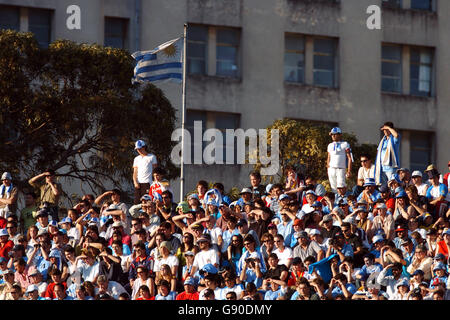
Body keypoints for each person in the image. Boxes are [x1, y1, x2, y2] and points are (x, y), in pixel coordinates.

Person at [327, 127, 353, 193]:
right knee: (333, 188)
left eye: (335, 134)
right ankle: (335, 202)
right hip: (331, 169)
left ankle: (343, 202)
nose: (333, 136)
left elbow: (350, 158)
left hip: (341, 169)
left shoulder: (345, 144)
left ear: (340, 135)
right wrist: (328, 168)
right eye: (332, 134)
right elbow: (328, 157)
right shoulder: (330, 145)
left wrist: (349, 171)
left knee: (341, 187)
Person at [132, 139, 158, 204]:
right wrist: (135, 182)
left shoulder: (152, 157)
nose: (139, 151)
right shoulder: (136, 159)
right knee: (137, 202)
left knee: (148, 201)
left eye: (140, 149)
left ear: (144, 147)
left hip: (148, 183)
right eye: (137, 149)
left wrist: (155, 182)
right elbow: (135, 172)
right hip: (138, 184)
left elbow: (155, 170)